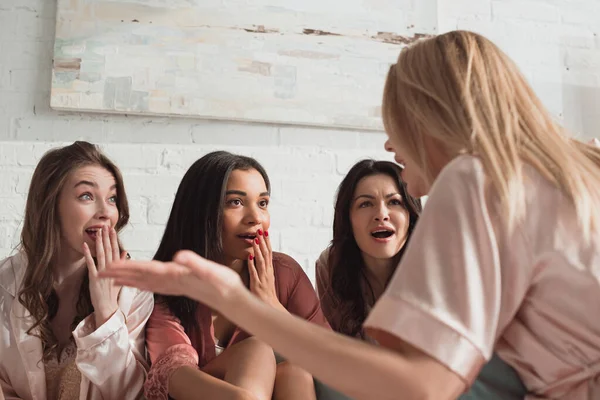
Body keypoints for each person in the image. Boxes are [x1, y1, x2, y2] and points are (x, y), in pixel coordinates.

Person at [101, 30, 600, 399]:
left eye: (396, 122)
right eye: (236, 201)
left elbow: (423, 386)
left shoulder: (473, 178)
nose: (389, 143)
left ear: (432, 117)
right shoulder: (570, 174)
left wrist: (246, 306)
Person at [142, 151, 329, 400]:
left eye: (262, 203)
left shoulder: (284, 274)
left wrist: (272, 307)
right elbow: (174, 373)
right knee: (256, 350)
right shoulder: (168, 285)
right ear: (201, 212)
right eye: (235, 202)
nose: (255, 218)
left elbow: (331, 364)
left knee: (295, 372)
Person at [0, 141, 153, 400]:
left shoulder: (134, 291)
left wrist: (107, 313)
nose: (106, 212)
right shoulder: (6, 283)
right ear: (50, 206)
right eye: (87, 196)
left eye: (112, 198)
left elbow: (131, 394)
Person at [316, 159, 421, 341]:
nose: (381, 214)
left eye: (394, 202)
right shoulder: (331, 264)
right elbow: (334, 349)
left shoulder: (436, 265)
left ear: (410, 216)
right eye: (365, 204)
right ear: (349, 220)